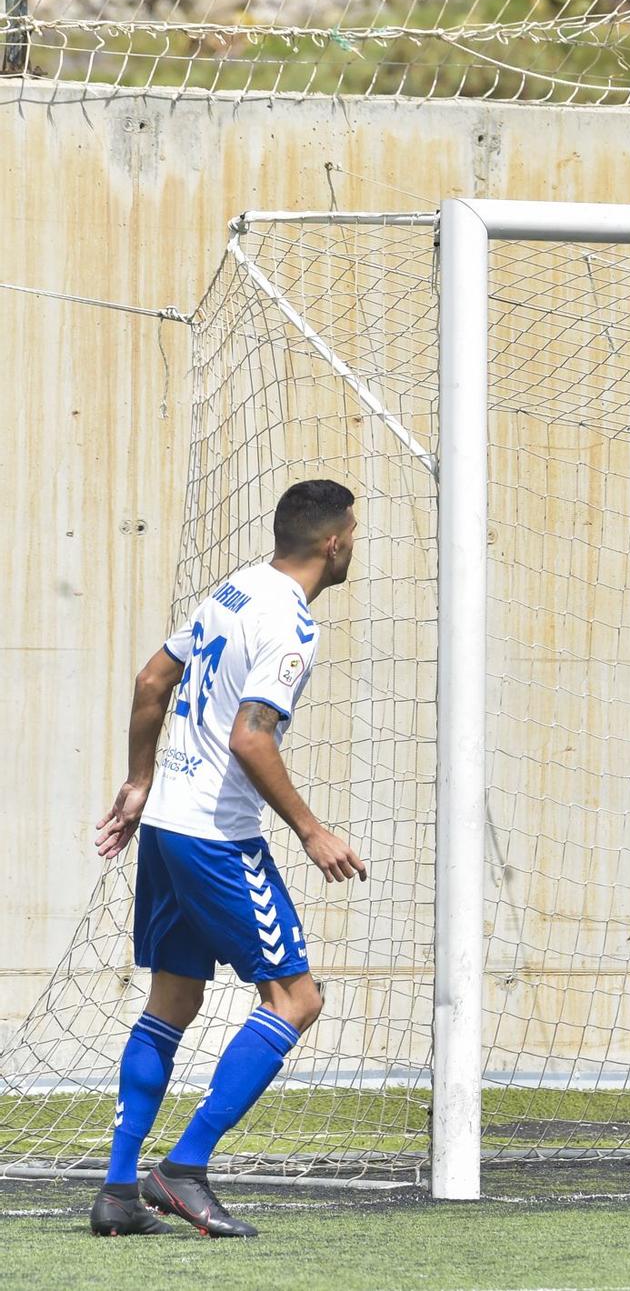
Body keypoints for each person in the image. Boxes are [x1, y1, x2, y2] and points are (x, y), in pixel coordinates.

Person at [89, 479, 366, 1238]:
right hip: (216, 838)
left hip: (168, 828)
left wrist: (140, 780)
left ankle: (116, 1190)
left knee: (172, 1002)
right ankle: (184, 1169)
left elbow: (153, 679)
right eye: (354, 534)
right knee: (294, 999)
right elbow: (251, 737)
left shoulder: (236, 589)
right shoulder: (291, 624)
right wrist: (311, 829)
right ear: (335, 542)